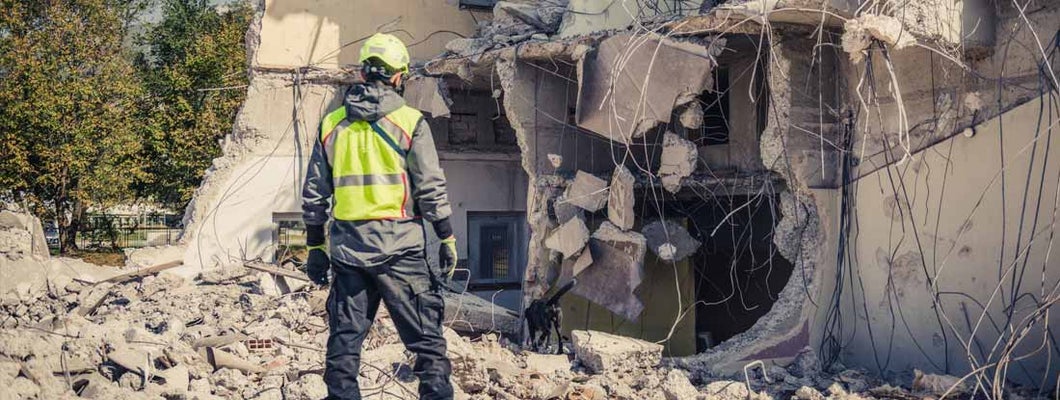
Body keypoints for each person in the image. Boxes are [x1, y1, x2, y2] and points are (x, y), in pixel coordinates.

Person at [301, 32, 458, 400]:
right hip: (401, 251)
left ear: (362, 73)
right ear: (399, 76)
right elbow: (430, 188)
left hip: (348, 253)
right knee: (427, 346)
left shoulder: (331, 124)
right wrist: (447, 237)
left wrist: (313, 247)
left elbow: (313, 195)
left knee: (344, 347)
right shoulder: (410, 122)